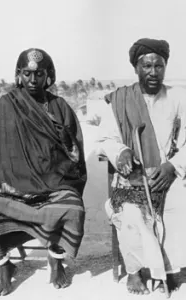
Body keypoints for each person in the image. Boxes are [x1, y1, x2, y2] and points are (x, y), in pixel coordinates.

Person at [0, 48, 87, 296]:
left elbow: (74, 152)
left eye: (39, 74)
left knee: (73, 208)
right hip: (9, 188)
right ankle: (4, 265)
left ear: (48, 75)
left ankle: (55, 260)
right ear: (18, 75)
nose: (33, 80)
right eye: (27, 74)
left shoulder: (59, 107)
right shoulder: (6, 106)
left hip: (52, 186)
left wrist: (58, 171)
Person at [96, 38, 186, 296]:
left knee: (181, 206)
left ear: (165, 67)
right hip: (133, 177)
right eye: (147, 66)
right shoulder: (119, 100)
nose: (153, 72)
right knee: (133, 215)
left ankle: (169, 270)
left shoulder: (179, 97)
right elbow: (105, 139)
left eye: (159, 66)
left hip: (168, 175)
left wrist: (173, 167)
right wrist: (121, 151)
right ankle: (135, 272)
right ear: (136, 68)